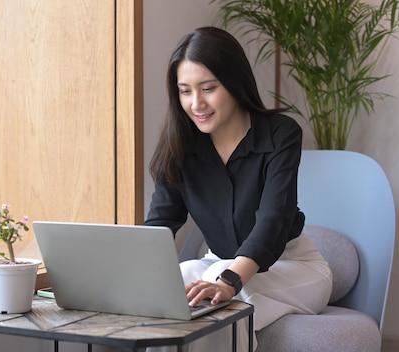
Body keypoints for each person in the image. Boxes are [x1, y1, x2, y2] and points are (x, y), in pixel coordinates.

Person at [143, 26, 333, 351]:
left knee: (218, 287)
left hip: (292, 267)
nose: (196, 103)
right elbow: (160, 223)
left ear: (233, 81)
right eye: (185, 91)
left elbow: (273, 218)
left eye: (208, 88)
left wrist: (229, 280)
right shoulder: (180, 146)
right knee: (182, 275)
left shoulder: (280, 134)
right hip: (217, 261)